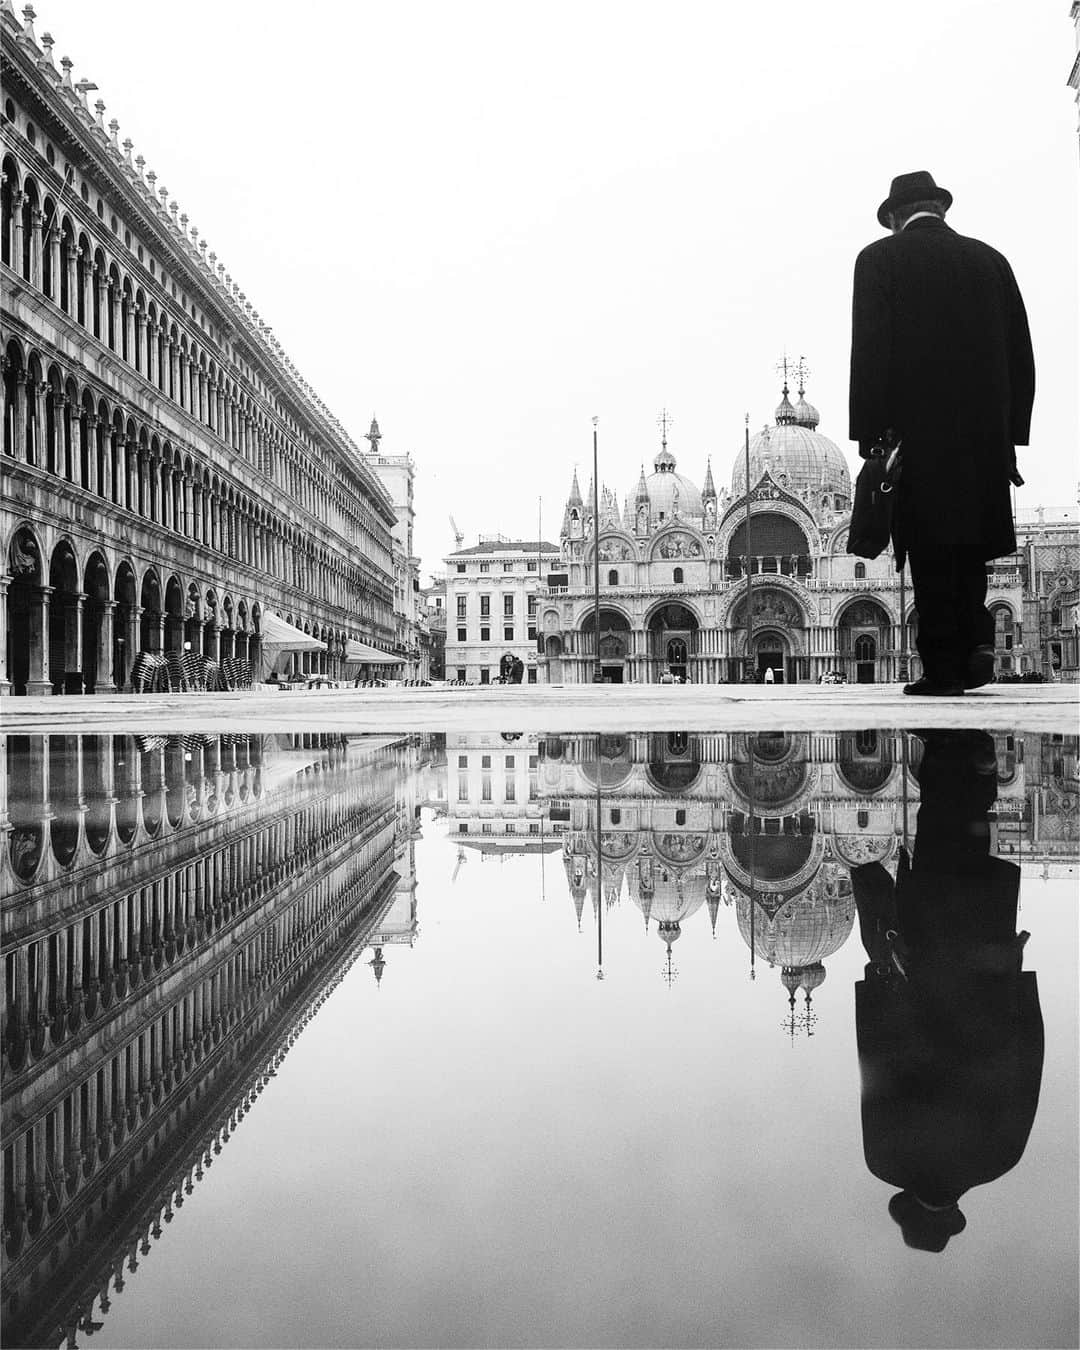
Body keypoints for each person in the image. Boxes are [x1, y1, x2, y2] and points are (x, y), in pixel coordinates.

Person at [849, 731, 1043, 1251]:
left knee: (974, 841)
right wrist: (883, 983)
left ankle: (972, 759)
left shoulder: (999, 1159)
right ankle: (948, 750)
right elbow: (879, 1065)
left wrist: (1017, 978)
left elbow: (1028, 1059)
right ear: (910, 1208)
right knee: (938, 835)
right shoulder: (887, 1162)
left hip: (983, 960)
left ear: (952, 1215)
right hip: (926, 963)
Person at [849, 171, 1035, 696]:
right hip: (982, 437)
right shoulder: (990, 260)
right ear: (941, 209)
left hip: (916, 434)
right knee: (971, 544)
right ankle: (976, 639)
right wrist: (1010, 435)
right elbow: (1021, 355)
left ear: (893, 218)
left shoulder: (879, 260)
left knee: (929, 548)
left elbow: (870, 351)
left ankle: (943, 667)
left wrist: (872, 436)